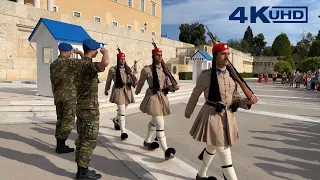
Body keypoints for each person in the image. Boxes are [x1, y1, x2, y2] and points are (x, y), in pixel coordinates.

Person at [184, 42, 258, 180]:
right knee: (225, 155)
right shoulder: (206, 75)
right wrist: (189, 111)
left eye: (228, 54)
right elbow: (195, 94)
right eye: (223, 54)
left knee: (212, 147)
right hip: (212, 117)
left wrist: (249, 101)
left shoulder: (232, 77)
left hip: (228, 118)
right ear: (215, 56)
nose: (227, 57)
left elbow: (236, 99)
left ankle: (200, 175)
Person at [135, 45, 180, 160]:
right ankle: (166, 151)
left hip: (162, 97)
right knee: (160, 124)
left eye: (161, 55)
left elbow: (168, 83)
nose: (160, 57)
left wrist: (173, 87)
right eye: (157, 55)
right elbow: (140, 82)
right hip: (153, 97)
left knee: (154, 122)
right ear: (153, 56)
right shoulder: (147, 69)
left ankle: (147, 141)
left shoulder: (165, 70)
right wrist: (137, 91)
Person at [74, 38, 109, 179]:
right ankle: (83, 173)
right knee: (89, 140)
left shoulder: (79, 64)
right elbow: (105, 63)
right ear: (92, 50)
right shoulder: (89, 66)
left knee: (82, 139)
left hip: (81, 107)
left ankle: (81, 170)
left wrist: (80, 53)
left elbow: (85, 58)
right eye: (96, 49)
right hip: (89, 109)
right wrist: (105, 52)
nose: (97, 51)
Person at [50, 42, 83, 154]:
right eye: (70, 51)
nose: (70, 53)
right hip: (69, 97)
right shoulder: (70, 63)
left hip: (58, 96)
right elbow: (86, 63)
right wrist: (79, 53)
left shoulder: (53, 64)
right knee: (68, 121)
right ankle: (61, 145)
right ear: (65, 51)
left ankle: (59, 144)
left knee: (60, 120)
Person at [104, 49, 136, 140]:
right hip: (118, 90)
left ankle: (115, 120)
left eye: (124, 59)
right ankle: (123, 132)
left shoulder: (128, 69)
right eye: (121, 59)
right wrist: (106, 89)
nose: (123, 60)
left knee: (123, 110)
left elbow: (134, 77)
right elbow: (108, 81)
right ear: (118, 60)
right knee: (122, 112)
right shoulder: (113, 70)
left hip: (127, 90)